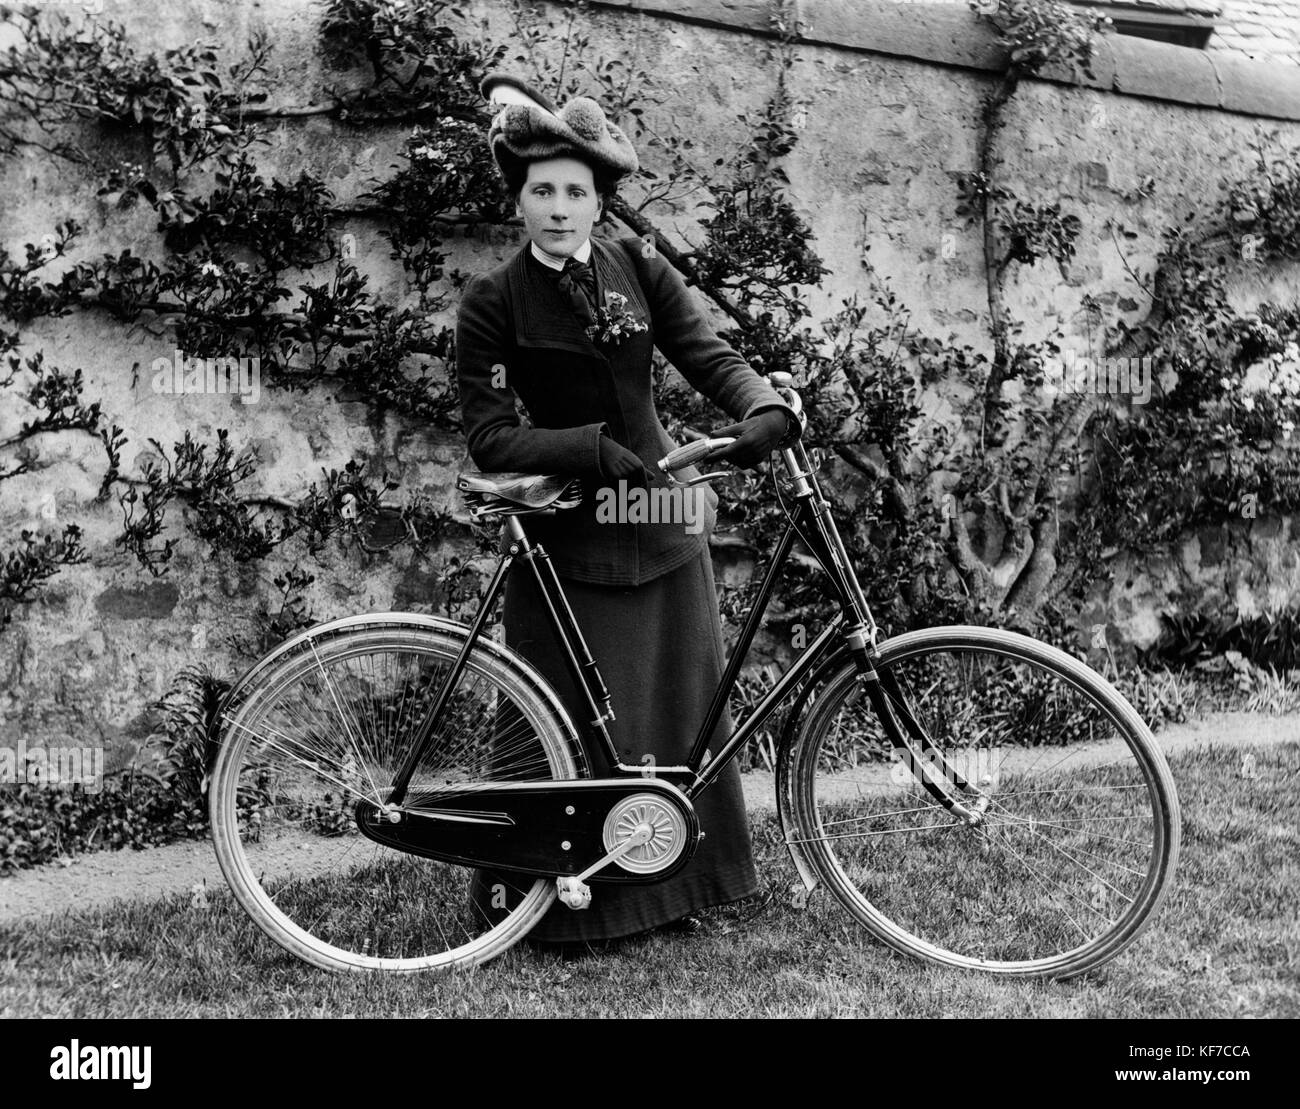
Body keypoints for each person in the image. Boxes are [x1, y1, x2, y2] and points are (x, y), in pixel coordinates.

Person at [455, 76, 798, 944]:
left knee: (677, 703)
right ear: (520, 200)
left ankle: (677, 887)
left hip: (658, 513)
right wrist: (582, 446)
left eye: (577, 191)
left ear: (600, 200)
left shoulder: (638, 267)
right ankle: (569, 909)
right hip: (568, 531)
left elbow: (703, 350)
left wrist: (761, 407)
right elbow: (492, 437)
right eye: (543, 191)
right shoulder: (491, 302)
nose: (560, 208)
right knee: (568, 718)